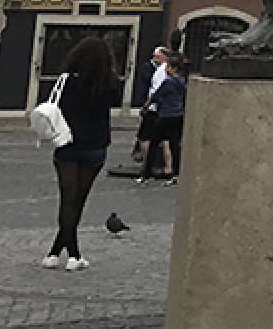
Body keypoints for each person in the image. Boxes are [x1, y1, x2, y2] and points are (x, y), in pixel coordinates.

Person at [45, 37, 121, 271]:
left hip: (67, 144)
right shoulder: (109, 82)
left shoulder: (67, 81)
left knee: (68, 200)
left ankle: (58, 253)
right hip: (95, 147)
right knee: (79, 200)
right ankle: (68, 254)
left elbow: (55, 106)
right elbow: (115, 103)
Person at [138, 54, 187, 184]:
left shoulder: (168, 82)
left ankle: (146, 174)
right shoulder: (182, 81)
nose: (166, 70)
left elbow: (156, 95)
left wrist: (145, 106)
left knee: (154, 143)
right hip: (178, 115)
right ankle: (176, 174)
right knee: (174, 145)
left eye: (169, 67)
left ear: (173, 68)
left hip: (165, 115)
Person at [130, 46, 171, 173]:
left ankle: (148, 165)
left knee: (146, 136)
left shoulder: (161, 71)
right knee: (164, 138)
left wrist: (147, 104)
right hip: (164, 108)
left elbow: (155, 91)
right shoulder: (161, 70)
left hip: (156, 108)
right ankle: (166, 166)